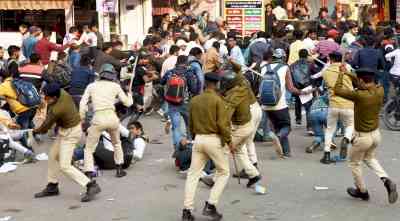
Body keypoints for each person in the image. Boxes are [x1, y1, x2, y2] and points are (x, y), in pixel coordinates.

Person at [334, 67, 398, 204]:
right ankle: (386, 180)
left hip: (362, 137)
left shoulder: (359, 95)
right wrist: (347, 73)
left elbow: (337, 90)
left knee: (354, 163)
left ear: (362, 81)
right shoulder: (379, 90)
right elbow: (361, 82)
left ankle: (362, 192)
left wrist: (341, 75)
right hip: (375, 135)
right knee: (369, 158)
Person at [33, 83, 101, 202]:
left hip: (71, 134)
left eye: (46, 97)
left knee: (64, 166)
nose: (44, 98)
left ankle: (91, 185)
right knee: (53, 156)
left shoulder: (57, 109)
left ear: (54, 97)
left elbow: (44, 128)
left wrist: (34, 130)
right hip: (66, 129)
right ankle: (52, 185)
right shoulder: (62, 92)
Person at [181, 72, 231, 221]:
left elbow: (190, 124)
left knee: (193, 174)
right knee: (223, 172)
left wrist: (194, 137)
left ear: (204, 83)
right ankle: (210, 205)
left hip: (198, 139)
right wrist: (229, 141)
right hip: (213, 140)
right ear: (217, 84)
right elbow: (223, 124)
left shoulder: (195, 100)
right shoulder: (218, 100)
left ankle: (187, 210)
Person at [80, 64, 133, 178]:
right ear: (112, 75)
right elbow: (128, 103)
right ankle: (119, 169)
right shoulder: (115, 86)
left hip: (98, 118)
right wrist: (130, 94)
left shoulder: (91, 86)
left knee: (89, 148)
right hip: (112, 118)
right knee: (117, 143)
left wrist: (82, 118)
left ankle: (89, 173)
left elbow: (82, 103)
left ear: (101, 74)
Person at [220, 63, 261, 187]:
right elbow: (238, 68)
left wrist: (225, 133)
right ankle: (253, 172)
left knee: (225, 149)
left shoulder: (236, 93)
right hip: (253, 113)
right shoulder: (241, 81)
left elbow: (227, 117)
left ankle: (217, 178)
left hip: (246, 120)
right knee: (241, 147)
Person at [261, 49, 303, 158]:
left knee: (278, 127)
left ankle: (286, 152)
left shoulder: (264, 68)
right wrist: (301, 92)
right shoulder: (285, 68)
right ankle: (278, 137)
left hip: (266, 104)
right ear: (283, 57)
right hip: (280, 105)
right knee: (286, 127)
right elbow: (290, 88)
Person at [321, 52, 354, 164]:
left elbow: (325, 84)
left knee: (330, 129)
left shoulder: (326, 72)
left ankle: (326, 154)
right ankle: (346, 138)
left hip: (333, 104)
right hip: (348, 103)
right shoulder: (347, 69)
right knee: (350, 125)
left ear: (331, 60)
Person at [161, 56, 194, 156]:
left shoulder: (170, 72)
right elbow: (193, 88)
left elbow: (161, 82)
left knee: (176, 127)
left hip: (172, 102)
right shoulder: (188, 73)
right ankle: (189, 148)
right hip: (185, 102)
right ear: (186, 63)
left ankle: (177, 148)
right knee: (189, 125)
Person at [289, 49, 314, 133]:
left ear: (299, 55)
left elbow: (290, 76)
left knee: (297, 102)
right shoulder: (310, 64)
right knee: (308, 107)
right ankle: (310, 127)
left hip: (296, 87)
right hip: (307, 86)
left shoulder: (292, 65)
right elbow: (314, 75)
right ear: (307, 55)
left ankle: (298, 118)